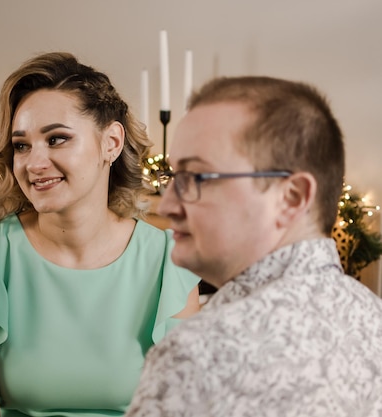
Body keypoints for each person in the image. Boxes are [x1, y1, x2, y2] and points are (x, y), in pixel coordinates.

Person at [0, 52, 201, 417]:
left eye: (57, 139)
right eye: (21, 145)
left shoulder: (168, 261)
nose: (34, 164)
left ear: (111, 143)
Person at [125, 76, 382, 417]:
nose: (168, 205)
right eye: (172, 178)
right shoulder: (373, 317)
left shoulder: (201, 352)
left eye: (196, 178)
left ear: (290, 197)